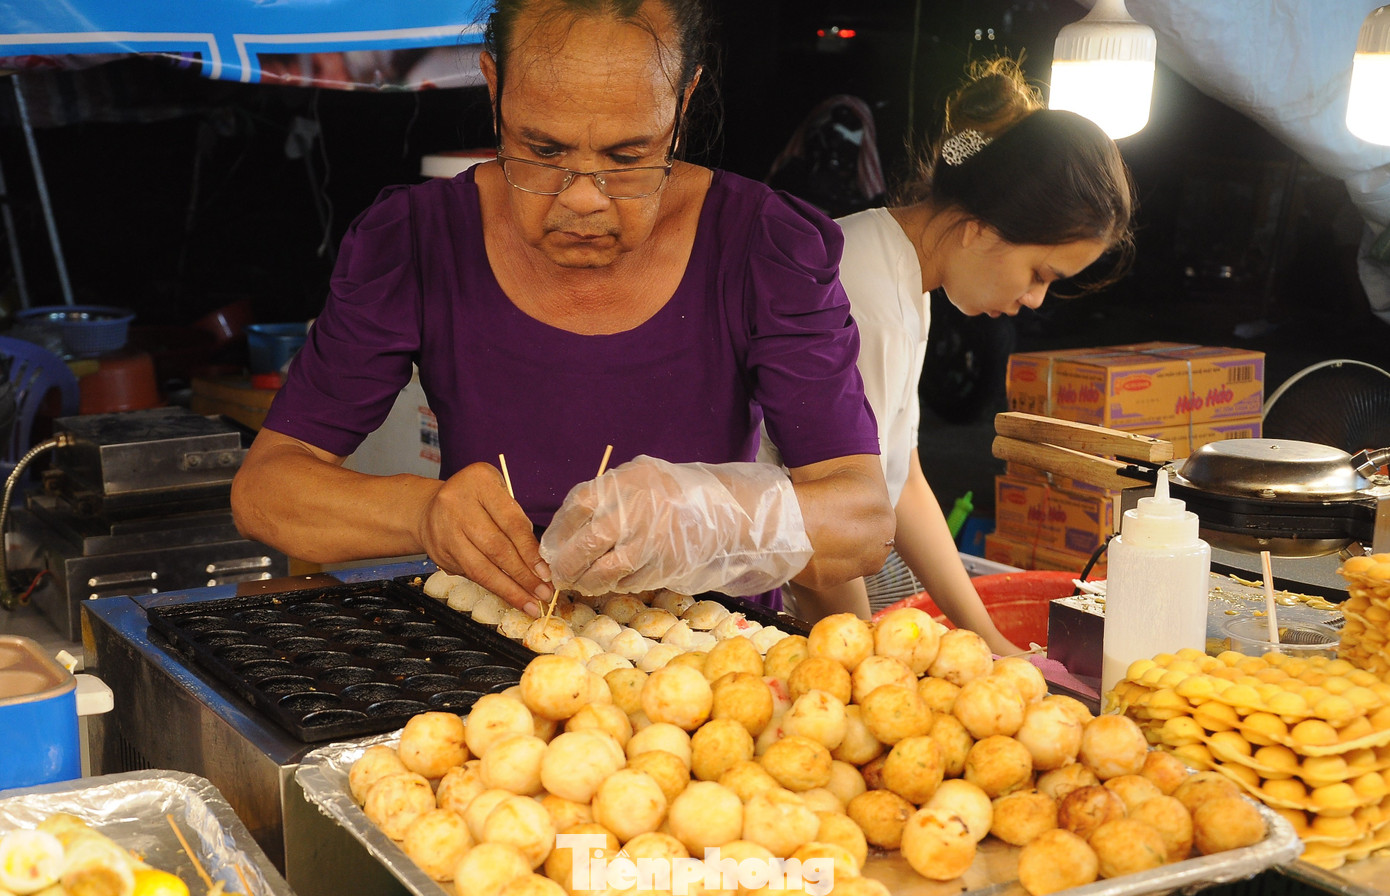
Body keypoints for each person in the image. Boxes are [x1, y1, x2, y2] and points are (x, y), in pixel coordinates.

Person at [230, 0, 896, 615]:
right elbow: (268, 494)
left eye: (628, 156)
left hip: (706, 676)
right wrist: (423, 513)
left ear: (682, 102)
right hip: (493, 662)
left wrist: (712, 517)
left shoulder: (760, 247)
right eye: (542, 151)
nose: (583, 199)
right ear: (494, 87)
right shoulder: (417, 240)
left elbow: (861, 521)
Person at [765, 57, 1137, 652]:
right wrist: (862, 660)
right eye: (1039, 273)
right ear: (980, 228)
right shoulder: (864, 292)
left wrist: (990, 640)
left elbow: (900, 478)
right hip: (767, 591)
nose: (1033, 299)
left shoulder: (905, 275)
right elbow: (824, 531)